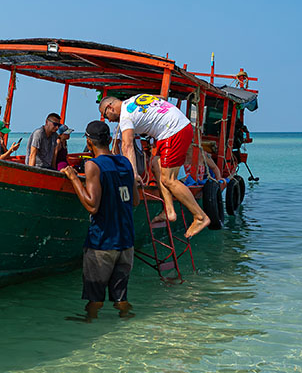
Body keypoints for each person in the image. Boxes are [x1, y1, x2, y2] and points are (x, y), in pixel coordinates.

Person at [99, 94, 211, 238]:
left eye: (105, 115)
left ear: (110, 107)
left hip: (174, 131)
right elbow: (161, 97)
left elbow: (127, 145)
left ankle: (200, 217)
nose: (108, 120)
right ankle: (169, 210)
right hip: (174, 129)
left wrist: (133, 173)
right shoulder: (136, 98)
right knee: (155, 164)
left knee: (169, 180)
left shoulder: (125, 116)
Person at [61, 121, 136, 321]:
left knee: (96, 298)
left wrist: (74, 178)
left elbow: (93, 206)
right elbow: (135, 200)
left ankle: (88, 324)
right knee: (120, 298)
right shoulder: (126, 163)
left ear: (88, 142)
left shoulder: (93, 165)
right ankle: (128, 322)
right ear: (110, 140)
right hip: (126, 243)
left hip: (102, 243)